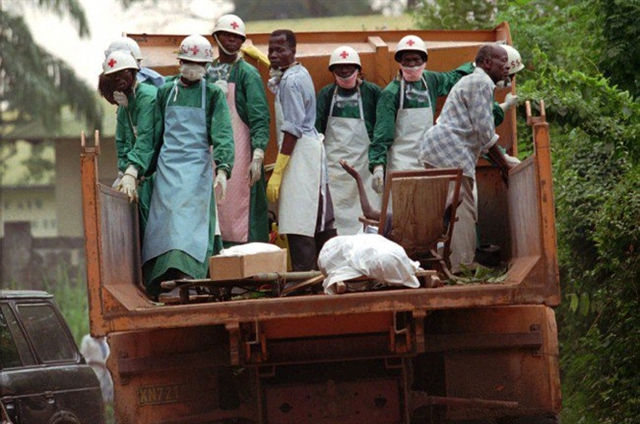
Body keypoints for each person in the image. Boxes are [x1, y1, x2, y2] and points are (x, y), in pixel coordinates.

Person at [141, 34, 234, 300]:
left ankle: (189, 280)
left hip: (197, 170)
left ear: (206, 66)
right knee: (164, 224)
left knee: (188, 226)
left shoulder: (214, 94)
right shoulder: (164, 92)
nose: (193, 67)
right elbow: (153, 135)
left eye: (199, 63)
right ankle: (164, 281)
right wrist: (138, 171)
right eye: (189, 61)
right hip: (167, 168)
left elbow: (223, 133)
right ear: (179, 61)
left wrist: (223, 169)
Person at [419, 44, 514, 274]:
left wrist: (502, 162)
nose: (507, 66)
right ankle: (463, 267)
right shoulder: (481, 82)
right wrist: (504, 166)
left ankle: (444, 265)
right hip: (450, 152)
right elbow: (485, 133)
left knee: (445, 211)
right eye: (502, 60)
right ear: (487, 62)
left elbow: (480, 133)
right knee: (461, 208)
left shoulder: (474, 81)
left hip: (440, 150)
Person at [368, 35, 475, 195]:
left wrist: (476, 66)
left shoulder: (431, 80)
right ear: (399, 61)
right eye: (407, 60)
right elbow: (382, 134)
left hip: (428, 159)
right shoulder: (390, 93)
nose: (412, 65)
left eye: (416, 60)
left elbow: (453, 78)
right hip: (401, 163)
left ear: (424, 60)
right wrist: (377, 166)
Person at [266, 29, 337, 271]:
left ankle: (305, 279)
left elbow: (292, 129)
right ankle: (328, 273)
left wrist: (278, 171)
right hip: (309, 152)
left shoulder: (290, 81)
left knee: (298, 219)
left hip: (299, 154)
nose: (274, 55)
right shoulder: (298, 72)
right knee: (318, 218)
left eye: (280, 50)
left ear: (293, 51)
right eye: (270, 51)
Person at [208, 14, 271, 247]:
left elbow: (260, 117)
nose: (232, 40)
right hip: (209, 151)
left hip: (241, 153)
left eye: (237, 37)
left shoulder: (247, 73)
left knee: (240, 211)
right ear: (216, 37)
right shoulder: (205, 71)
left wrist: (258, 154)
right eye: (227, 35)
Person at [316, 46, 382, 235]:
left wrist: (378, 166)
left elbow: (382, 128)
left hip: (364, 167)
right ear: (332, 71)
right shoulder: (326, 94)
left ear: (358, 68)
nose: (344, 71)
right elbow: (316, 130)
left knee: (366, 216)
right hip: (334, 168)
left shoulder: (373, 93)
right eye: (339, 68)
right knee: (336, 218)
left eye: (349, 67)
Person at [101, 50, 159, 241]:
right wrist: (124, 171)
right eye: (113, 76)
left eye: (124, 73)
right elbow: (123, 142)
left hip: (156, 169)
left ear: (134, 72)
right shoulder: (126, 102)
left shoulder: (147, 98)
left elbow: (146, 139)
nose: (119, 79)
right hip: (140, 170)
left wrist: (132, 172)